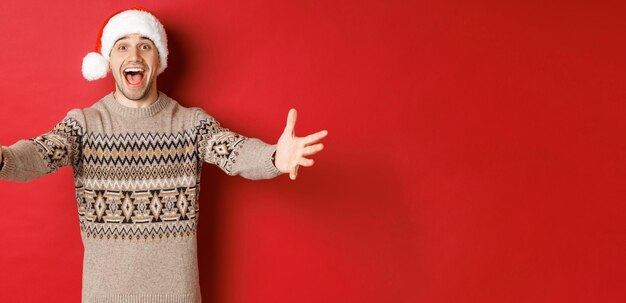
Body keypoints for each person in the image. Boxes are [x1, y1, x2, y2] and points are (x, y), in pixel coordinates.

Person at [0, 8, 327, 303]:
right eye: (122, 46)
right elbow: (39, 154)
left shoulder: (190, 123)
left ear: (159, 58)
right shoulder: (83, 125)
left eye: (145, 45)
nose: (134, 54)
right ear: (109, 60)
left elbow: (234, 150)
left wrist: (274, 159)